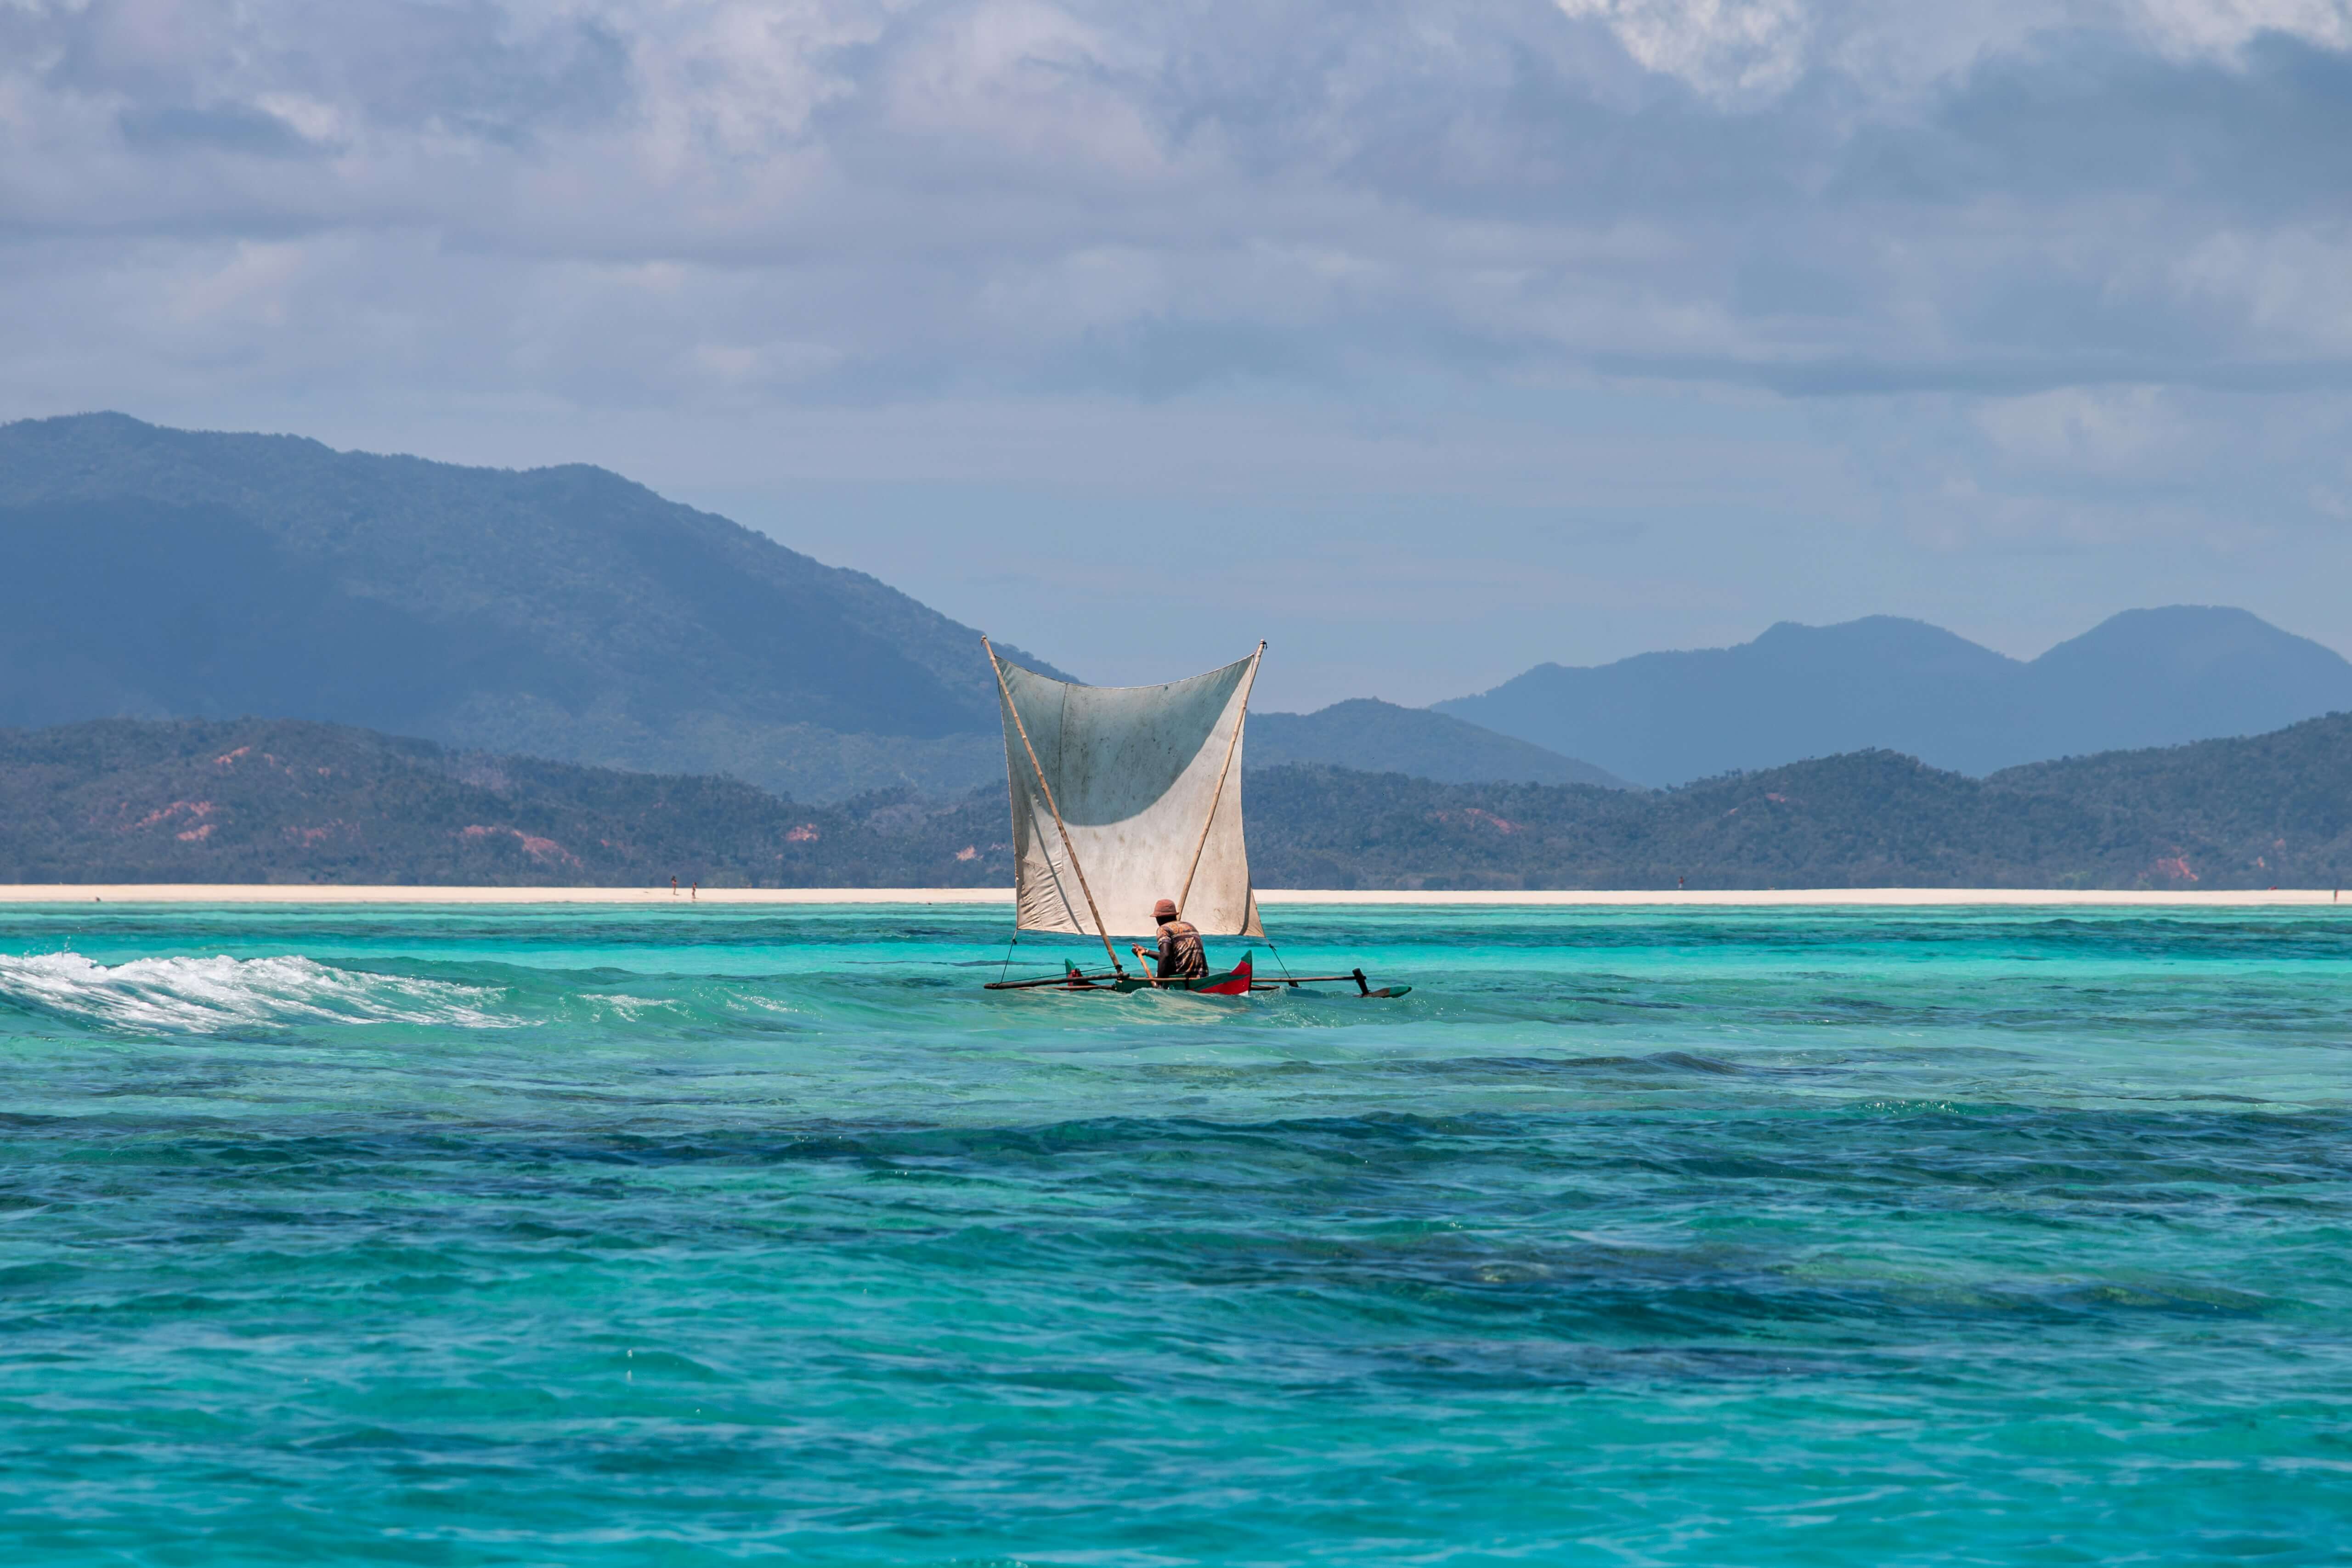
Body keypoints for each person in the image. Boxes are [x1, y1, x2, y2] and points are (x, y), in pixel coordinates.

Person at [1133, 897, 1207, 981]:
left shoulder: (1164, 929)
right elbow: (1175, 957)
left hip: (1181, 977)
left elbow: (1165, 955)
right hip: (1201, 976)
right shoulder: (1190, 926)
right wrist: (1146, 952)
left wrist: (1159, 981)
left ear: (1159, 918)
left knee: (1161, 971)